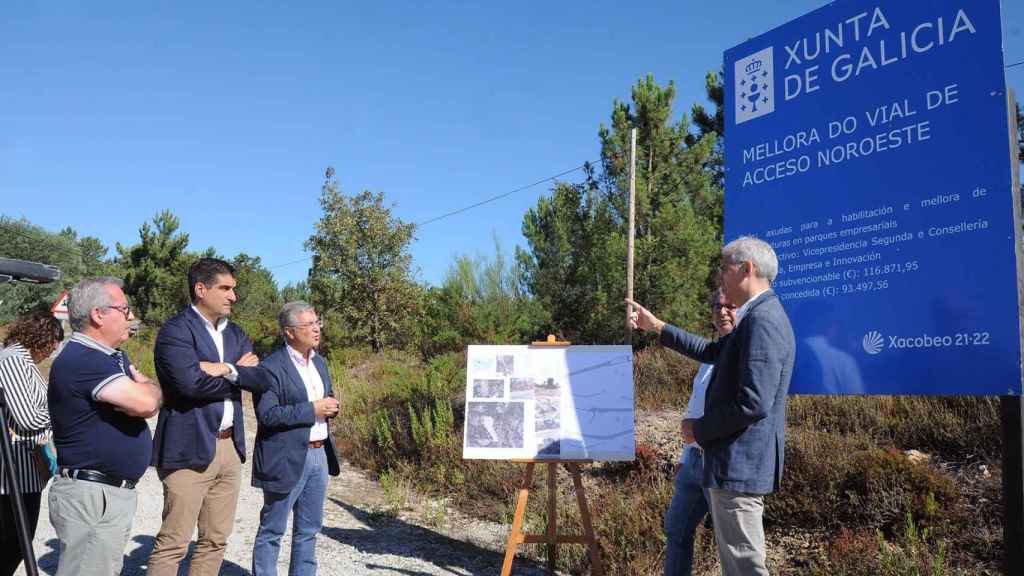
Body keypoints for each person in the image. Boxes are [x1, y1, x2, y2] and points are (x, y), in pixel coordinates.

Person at [628, 235, 795, 576]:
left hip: (739, 467)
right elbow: (712, 353)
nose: (720, 277)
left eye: (724, 269)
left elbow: (754, 402)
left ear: (747, 269)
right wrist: (657, 327)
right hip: (731, 465)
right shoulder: (755, 318)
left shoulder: (763, 321)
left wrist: (698, 430)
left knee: (744, 566)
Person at [148, 258, 267, 576]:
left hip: (229, 448)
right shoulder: (175, 331)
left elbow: (259, 379)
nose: (233, 296)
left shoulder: (236, 333)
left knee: (215, 540)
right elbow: (189, 384)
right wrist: (237, 371)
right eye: (225, 288)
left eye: (234, 289)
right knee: (174, 542)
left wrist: (223, 368)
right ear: (201, 289)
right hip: (188, 448)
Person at [48, 277, 162, 575]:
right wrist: (150, 388)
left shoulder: (109, 358)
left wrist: (146, 388)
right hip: (92, 495)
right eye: (124, 309)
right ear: (98, 315)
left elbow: (143, 400)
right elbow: (146, 404)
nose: (131, 317)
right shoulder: (84, 360)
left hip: (103, 494)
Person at [251, 301, 340, 575]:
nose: (316, 329)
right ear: (289, 332)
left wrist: (332, 406)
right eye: (308, 325)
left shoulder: (319, 362)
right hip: (285, 456)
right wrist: (312, 409)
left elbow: (327, 397)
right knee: (273, 529)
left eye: (317, 323)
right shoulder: (270, 368)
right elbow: (268, 415)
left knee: (309, 530)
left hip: (319, 454)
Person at [663, 290, 736, 576]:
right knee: (676, 531)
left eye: (730, 306)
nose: (722, 311)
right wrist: (685, 455)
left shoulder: (745, 356)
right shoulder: (710, 356)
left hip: (722, 464)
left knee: (732, 545)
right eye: (717, 306)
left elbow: (744, 411)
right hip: (693, 462)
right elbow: (696, 407)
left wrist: (701, 435)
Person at [0, 311, 63, 576]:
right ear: (41, 339)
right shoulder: (13, 361)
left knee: (17, 544)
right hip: (12, 475)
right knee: (13, 545)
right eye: (52, 345)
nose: (52, 352)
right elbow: (26, 418)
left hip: (25, 470)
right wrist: (62, 411)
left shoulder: (23, 362)